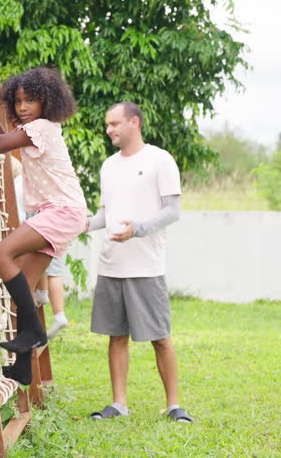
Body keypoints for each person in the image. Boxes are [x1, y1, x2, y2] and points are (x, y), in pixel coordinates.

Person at [0, 67, 87, 385]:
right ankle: (23, 367)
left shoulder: (43, 127)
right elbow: (0, 139)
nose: (22, 108)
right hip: (59, 212)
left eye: (30, 100)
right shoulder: (39, 128)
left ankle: (34, 332)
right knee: (26, 288)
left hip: (60, 211)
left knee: (1, 253)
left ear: (47, 101)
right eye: (17, 101)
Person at [86, 102, 192, 423]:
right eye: (107, 125)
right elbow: (109, 213)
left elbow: (172, 211)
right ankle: (118, 404)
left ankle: (174, 405)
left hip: (146, 265)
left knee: (160, 337)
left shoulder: (160, 159)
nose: (109, 130)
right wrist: (83, 223)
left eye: (115, 123)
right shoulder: (108, 166)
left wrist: (137, 230)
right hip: (111, 264)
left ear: (135, 122)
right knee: (115, 336)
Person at [11, 157, 69, 339]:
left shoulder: (19, 185)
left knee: (48, 270)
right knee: (53, 270)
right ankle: (44, 297)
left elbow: (19, 220)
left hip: (42, 230)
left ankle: (59, 314)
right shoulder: (47, 183)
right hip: (60, 226)